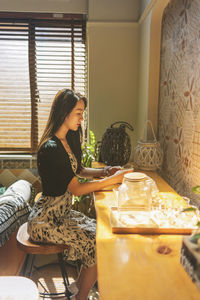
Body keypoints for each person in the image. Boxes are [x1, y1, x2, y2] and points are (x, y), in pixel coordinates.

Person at [27, 89, 133, 300]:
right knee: (97, 241)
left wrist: (105, 171)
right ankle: (81, 296)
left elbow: (79, 171)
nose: (81, 118)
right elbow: (75, 188)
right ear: (64, 113)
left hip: (62, 214)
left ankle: (78, 286)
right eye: (78, 112)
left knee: (99, 233)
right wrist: (112, 181)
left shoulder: (68, 140)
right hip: (46, 221)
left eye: (82, 112)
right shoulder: (51, 147)